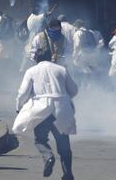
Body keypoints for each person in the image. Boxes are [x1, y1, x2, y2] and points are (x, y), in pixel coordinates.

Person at [12, 49, 78, 180]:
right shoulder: (61, 69)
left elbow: (23, 93)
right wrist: (63, 97)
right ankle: (68, 174)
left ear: (36, 59)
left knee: (40, 139)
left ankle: (48, 157)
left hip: (41, 109)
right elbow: (74, 90)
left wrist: (18, 107)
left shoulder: (31, 71)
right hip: (61, 108)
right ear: (51, 57)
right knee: (63, 142)